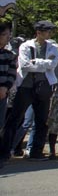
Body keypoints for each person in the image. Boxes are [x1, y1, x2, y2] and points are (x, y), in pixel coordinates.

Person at [1, 20, 58, 162]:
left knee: (41, 120)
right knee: (16, 118)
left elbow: (53, 64)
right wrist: (43, 63)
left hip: (44, 84)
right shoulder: (26, 46)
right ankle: (6, 150)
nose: (49, 34)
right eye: (47, 31)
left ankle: (36, 151)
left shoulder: (52, 47)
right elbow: (25, 65)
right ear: (38, 32)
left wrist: (37, 62)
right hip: (25, 85)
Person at [0, 22, 15, 163]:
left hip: (3, 93)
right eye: (4, 35)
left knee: (1, 124)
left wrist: (5, 87)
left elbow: (12, 74)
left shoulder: (9, 55)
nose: (7, 38)